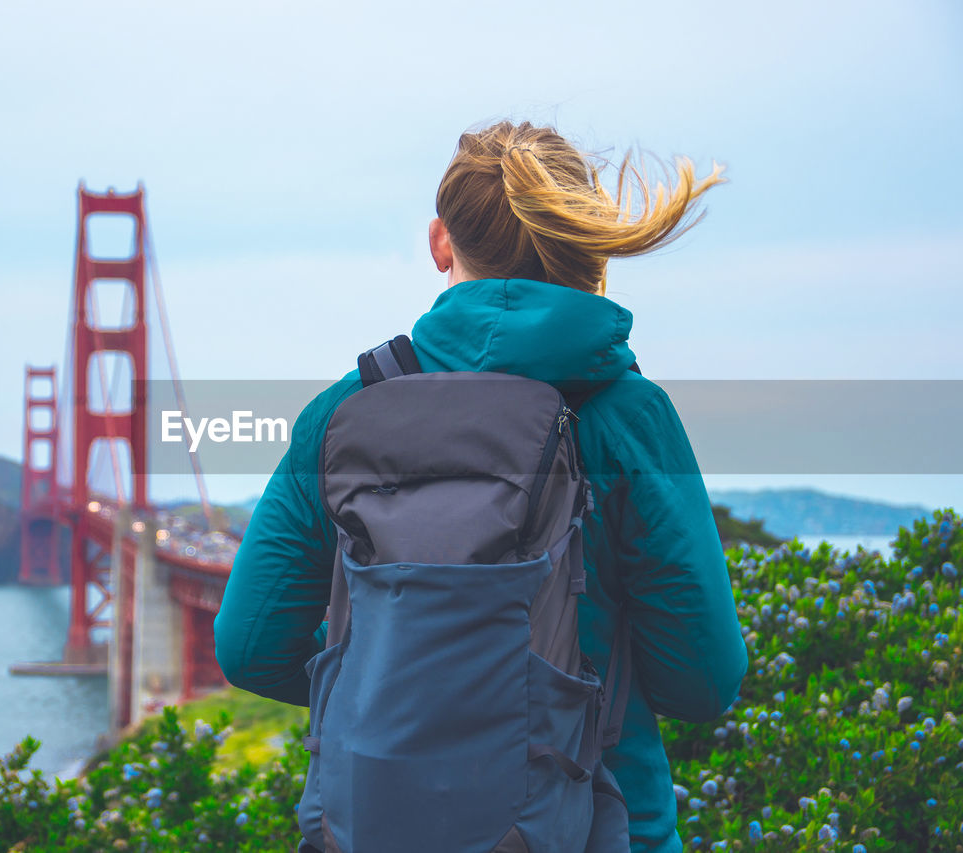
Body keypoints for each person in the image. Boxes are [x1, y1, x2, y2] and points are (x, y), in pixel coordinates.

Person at [214, 120, 748, 853]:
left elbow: (249, 645)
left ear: (441, 243)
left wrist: (405, 684)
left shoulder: (343, 412)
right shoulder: (628, 417)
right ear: (585, 244)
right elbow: (703, 681)